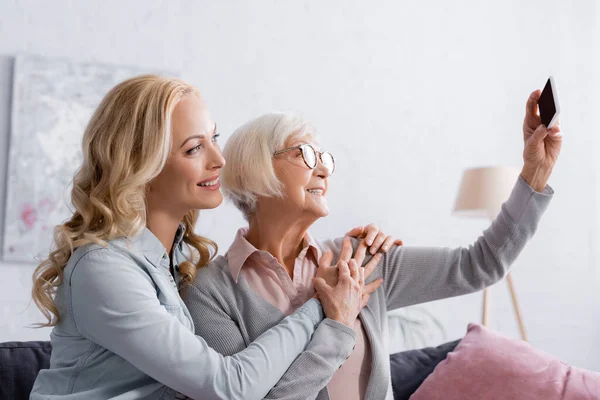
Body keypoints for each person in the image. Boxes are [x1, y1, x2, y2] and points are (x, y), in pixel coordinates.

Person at [29, 75, 395, 400]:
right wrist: (322, 304)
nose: (219, 159)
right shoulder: (103, 268)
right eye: (194, 148)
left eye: (214, 138)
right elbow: (229, 388)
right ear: (142, 167)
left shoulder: (168, 262)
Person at [182, 90, 562, 400]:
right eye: (306, 154)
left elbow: (480, 265)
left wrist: (534, 174)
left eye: (325, 158)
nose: (324, 169)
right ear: (256, 168)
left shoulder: (360, 257)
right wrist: (336, 322)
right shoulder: (209, 292)